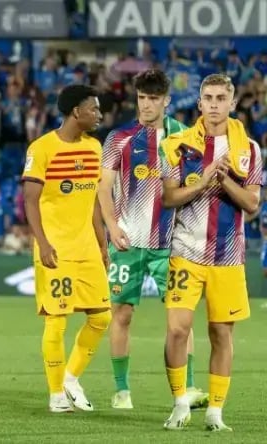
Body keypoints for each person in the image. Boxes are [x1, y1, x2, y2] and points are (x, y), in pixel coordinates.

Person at [98, 69, 208, 410]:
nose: (146, 105)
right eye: (142, 98)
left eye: (153, 99)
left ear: (166, 100)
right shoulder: (119, 138)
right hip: (127, 242)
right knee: (122, 314)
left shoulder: (185, 137)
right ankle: (122, 390)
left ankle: (188, 386)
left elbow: (193, 186)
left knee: (181, 319)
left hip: (170, 245)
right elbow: (103, 187)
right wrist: (112, 226)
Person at [161, 74, 262, 431]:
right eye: (209, 98)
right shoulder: (178, 146)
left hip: (227, 257)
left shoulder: (249, 149)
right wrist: (203, 180)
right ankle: (179, 403)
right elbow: (168, 198)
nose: (215, 104)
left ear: (232, 103)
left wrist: (224, 180)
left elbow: (252, 203)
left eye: (221, 98)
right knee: (177, 330)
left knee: (221, 335)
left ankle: (215, 412)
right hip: (185, 251)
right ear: (199, 103)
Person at [21, 84, 110, 413]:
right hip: (56, 249)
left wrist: (102, 243)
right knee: (56, 321)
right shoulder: (42, 148)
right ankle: (56, 394)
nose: (99, 115)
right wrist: (43, 243)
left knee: (101, 317)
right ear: (76, 112)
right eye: (94, 109)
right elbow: (30, 200)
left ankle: (71, 377)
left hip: (87, 249)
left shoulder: (94, 147)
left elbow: (93, 202)